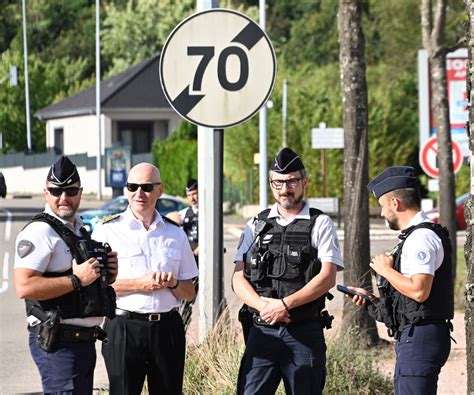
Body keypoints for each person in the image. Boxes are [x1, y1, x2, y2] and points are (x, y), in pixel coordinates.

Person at [232, 148, 344, 395]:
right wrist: (266, 308)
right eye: (279, 182)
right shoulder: (257, 224)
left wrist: (284, 305)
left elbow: (327, 277)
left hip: (303, 332)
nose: (285, 188)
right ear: (271, 184)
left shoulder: (320, 223)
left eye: (292, 181)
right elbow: (238, 277)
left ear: (304, 182)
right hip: (262, 330)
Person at [14, 155, 118, 394]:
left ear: (80, 191)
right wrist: (76, 279)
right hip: (58, 344)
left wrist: (106, 276)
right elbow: (24, 286)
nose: (63, 198)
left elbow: (84, 284)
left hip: (83, 342)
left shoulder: (78, 229)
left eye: (70, 191)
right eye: (56, 191)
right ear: (45, 192)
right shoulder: (40, 232)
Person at [92, 162, 199, 395]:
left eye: (147, 187)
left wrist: (172, 284)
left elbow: (189, 292)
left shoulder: (175, 233)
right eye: (133, 186)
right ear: (126, 190)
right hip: (124, 327)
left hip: (167, 329)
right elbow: (96, 289)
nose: (139, 193)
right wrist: (140, 284)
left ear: (159, 190)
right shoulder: (107, 231)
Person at [346, 166, 453, 394]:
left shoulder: (420, 239)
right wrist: (373, 301)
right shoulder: (416, 236)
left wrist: (386, 270)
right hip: (415, 336)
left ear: (395, 203)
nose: (383, 213)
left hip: (421, 338)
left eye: (383, 206)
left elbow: (419, 291)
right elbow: (411, 300)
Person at [177, 178, 199, 330]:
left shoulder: (208, 212)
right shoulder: (185, 213)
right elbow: (171, 218)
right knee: (186, 300)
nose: (193, 198)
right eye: (190, 194)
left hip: (205, 261)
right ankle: (182, 328)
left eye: (195, 193)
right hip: (190, 261)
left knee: (214, 296)